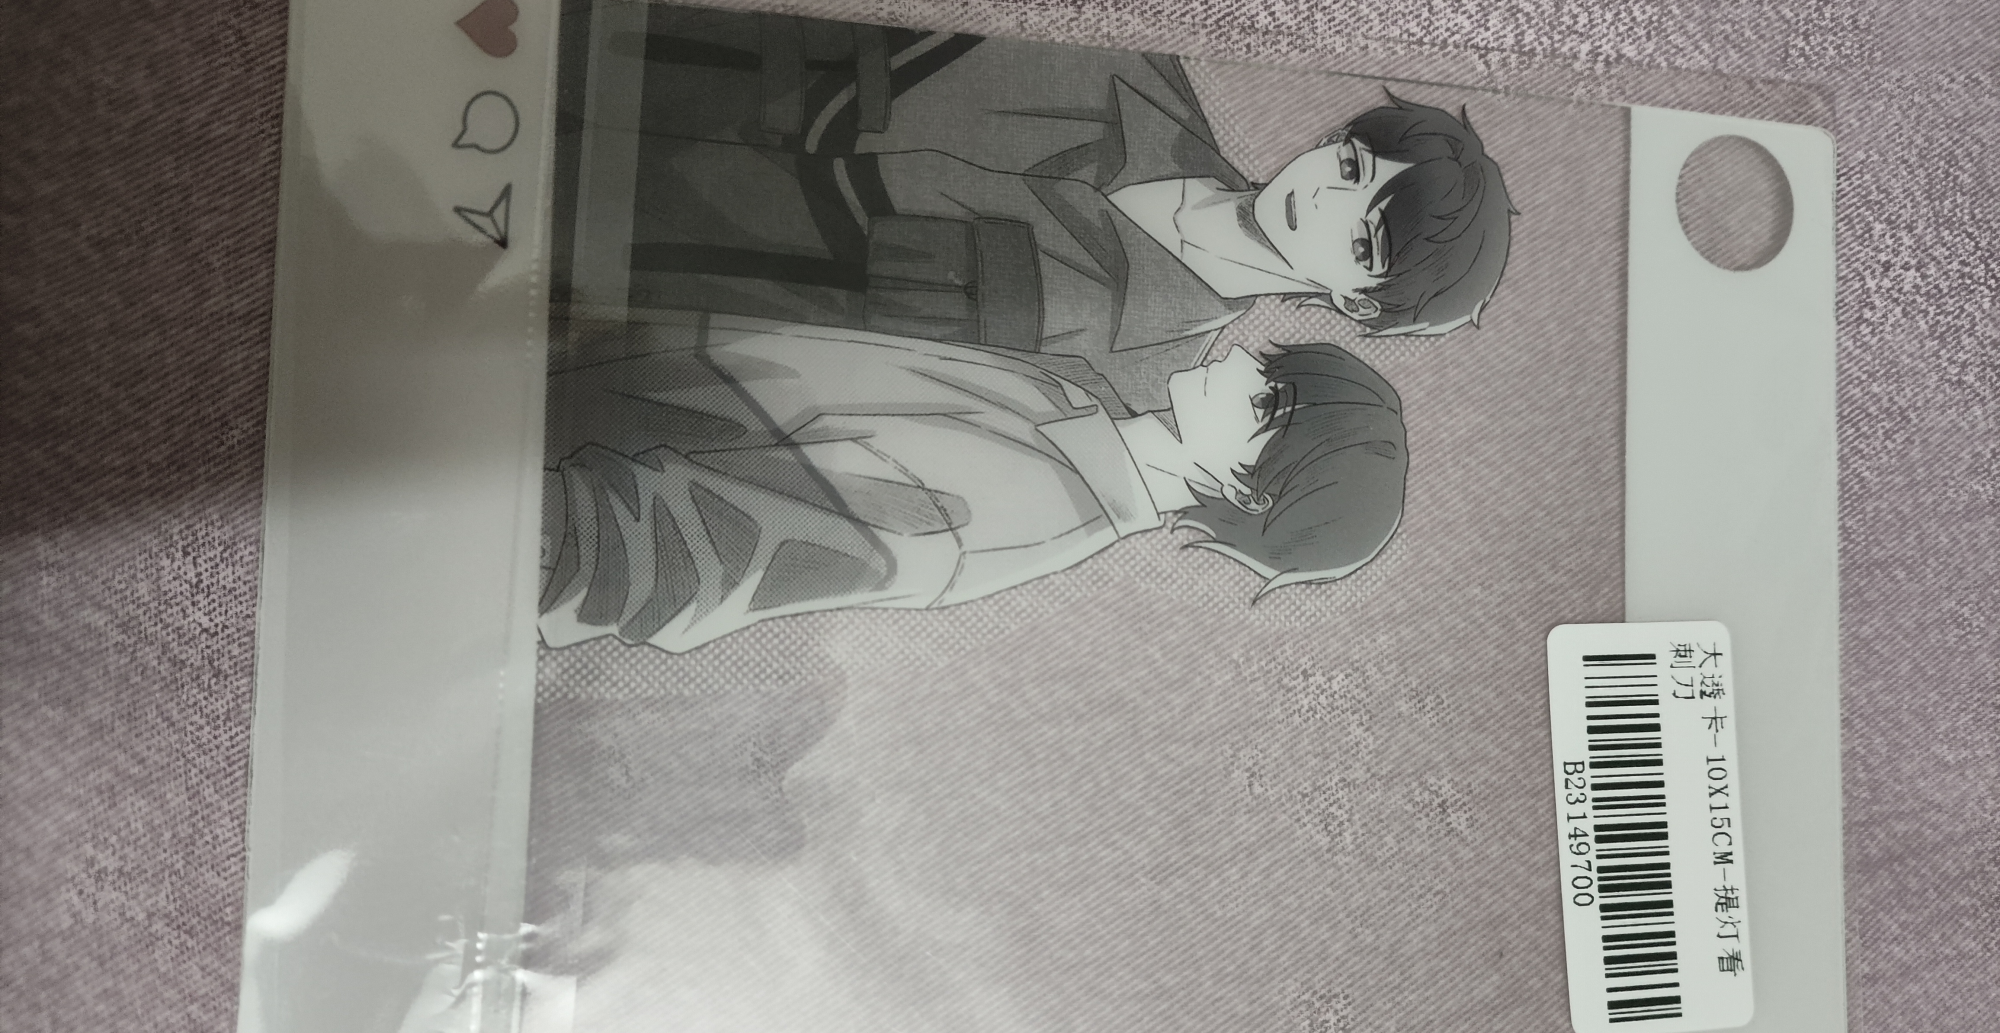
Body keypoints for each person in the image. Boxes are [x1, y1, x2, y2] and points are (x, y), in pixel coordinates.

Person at [555, 0, 1512, 416]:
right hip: (618, 62)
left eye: (1365, 236)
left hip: (620, 258)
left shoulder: (1132, 379)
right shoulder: (1128, 66)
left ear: (1357, 302)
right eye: (1350, 162)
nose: (1328, 194)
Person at [539, 313, 1407, 655]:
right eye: (1272, 364)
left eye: (1267, 400)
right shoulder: (1073, 400)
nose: (1244, 358)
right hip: (557, 383)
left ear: (1247, 492)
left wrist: (505, 523)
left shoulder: (1025, 509)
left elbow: (690, 555)